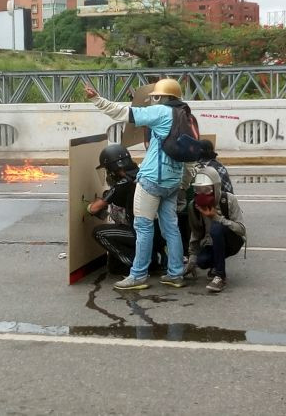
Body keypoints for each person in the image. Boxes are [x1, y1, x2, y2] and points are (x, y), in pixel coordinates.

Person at [84, 79, 187, 290]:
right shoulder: (186, 115)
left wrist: (97, 99)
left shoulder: (160, 112)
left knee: (143, 227)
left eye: (156, 96)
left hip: (152, 178)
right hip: (173, 179)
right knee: (171, 228)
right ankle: (175, 273)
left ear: (161, 97)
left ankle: (138, 275)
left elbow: (124, 113)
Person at [86, 144, 166, 274]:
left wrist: (89, 206)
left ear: (113, 167)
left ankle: (141, 265)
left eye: (107, 168)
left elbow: (94, 209)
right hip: (158, 231)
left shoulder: (124, 183)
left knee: (99, 233)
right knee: (114, 267)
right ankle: (151, 257)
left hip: (143, 232)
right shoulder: (141, 172)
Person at [185, 166, 247, 293]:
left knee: (216, 228)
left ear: (216, 188)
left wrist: (217, 218)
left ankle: (220, 276)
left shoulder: (228, 200)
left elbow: (241, 230)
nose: (202, 194)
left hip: (232, 240)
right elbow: (195, 232)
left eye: (206, 190)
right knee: (201, 261)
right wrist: (191, 258)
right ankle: (215, 264)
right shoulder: (194, 206)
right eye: (198, 190)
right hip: (210, 243)